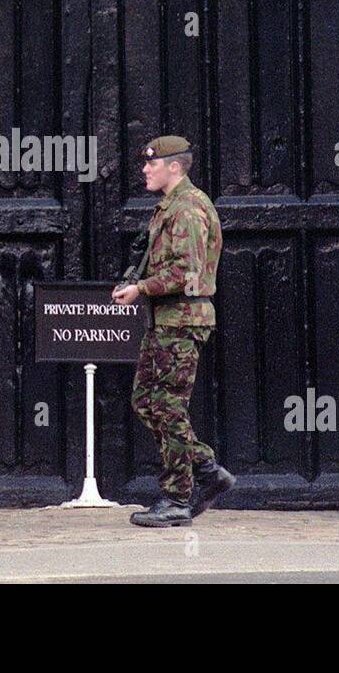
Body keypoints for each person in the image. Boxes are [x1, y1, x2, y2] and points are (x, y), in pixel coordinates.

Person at [113, 135, 234, 527]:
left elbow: (187, 272)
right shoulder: (169, 208)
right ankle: (207, 469)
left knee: (167, 405)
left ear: (175, 167)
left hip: (181, 323)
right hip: (165, 322)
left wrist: (140, 289)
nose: (145, 170)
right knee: (147, 401)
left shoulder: (187, 209)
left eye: (152, 164)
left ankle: (177, 498)